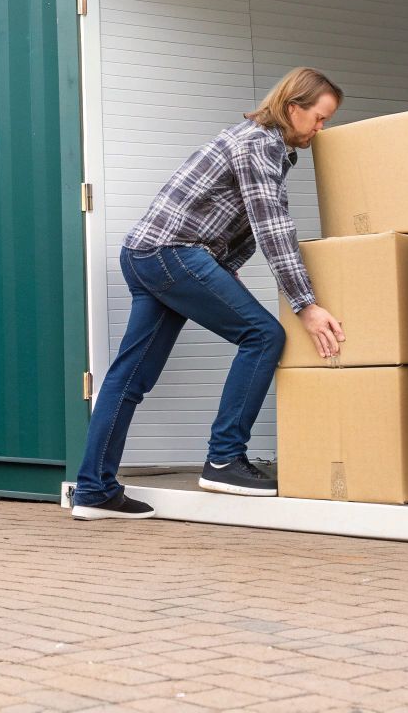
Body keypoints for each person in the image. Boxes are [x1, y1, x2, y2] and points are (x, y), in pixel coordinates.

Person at [71, 67, 346, 521]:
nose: (321, 128)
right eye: (319, 118)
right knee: (264, 336)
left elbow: (220, 216)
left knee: (129, 377)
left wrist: (221, 271)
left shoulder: (252, 140)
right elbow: (271, 227)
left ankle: (93, 489)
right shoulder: (260, 145)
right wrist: (306, 305)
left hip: (147, 254)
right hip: (172, 255)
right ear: (293, 108)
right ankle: (224, 459)